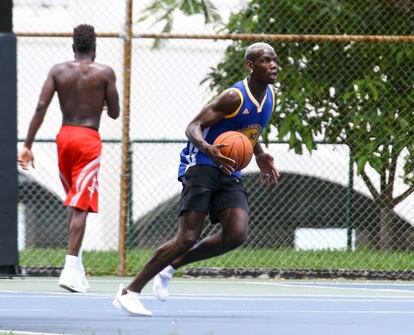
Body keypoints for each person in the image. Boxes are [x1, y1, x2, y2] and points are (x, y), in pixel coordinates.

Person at [113, 42, 279, 316]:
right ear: (251, 66)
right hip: (201, 162)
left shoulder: (270, 96)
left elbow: (246, 133)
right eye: (265, 60)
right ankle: (129, 292)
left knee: (236, 233)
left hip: (228, 167)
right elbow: (193, 127)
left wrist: (259, 154)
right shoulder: (233, 96)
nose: (273, 65)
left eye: (274, 60)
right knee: (187, 236)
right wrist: (207, 148)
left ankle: (171, 266)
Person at [18, 24, 120, 293]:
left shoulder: (58, 71)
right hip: (87, 138)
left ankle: (79, 267)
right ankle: (70, 267)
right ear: (95, 48)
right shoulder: (105, 73)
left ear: (73, 47)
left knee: (75, 201)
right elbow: (115, 112)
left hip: (64, 137)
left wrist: (27, 145)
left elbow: (41, 107)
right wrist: (104, 102)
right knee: (80, 205)